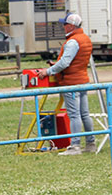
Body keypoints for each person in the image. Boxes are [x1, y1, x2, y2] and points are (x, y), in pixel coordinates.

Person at [37, 13, 96, 155]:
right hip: (82, 79)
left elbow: (65, 62)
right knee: (84, 114)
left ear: (70, 25)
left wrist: (48, 71)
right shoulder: (85, 39)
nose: (63, 27)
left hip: (71, 82)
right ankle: (90, 143)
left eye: (65, 24)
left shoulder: (72, 42)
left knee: (74, 115)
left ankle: (75, 146)